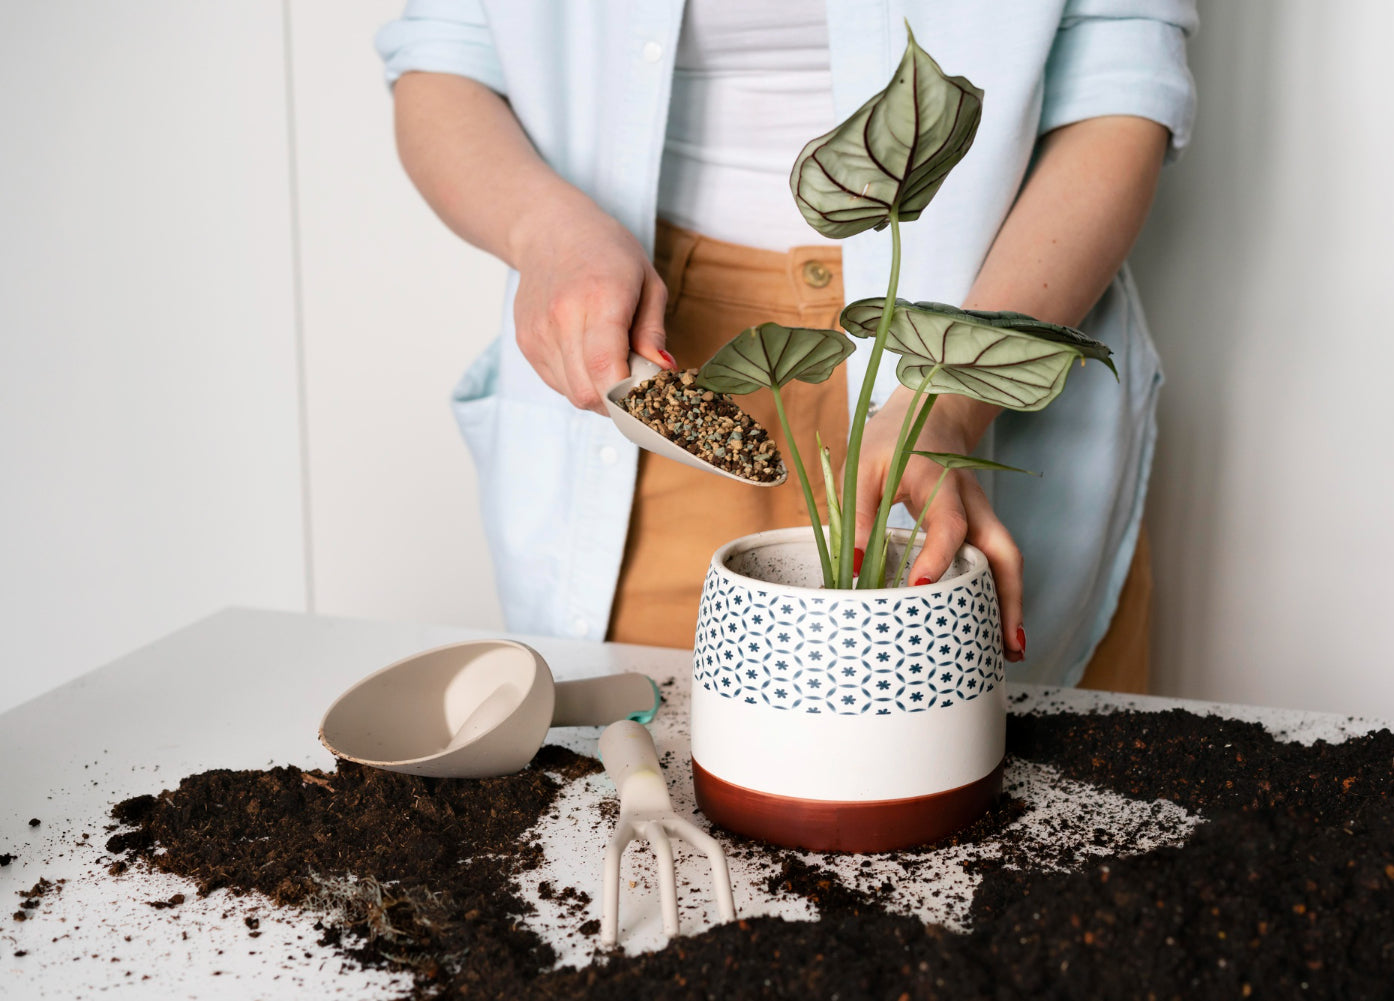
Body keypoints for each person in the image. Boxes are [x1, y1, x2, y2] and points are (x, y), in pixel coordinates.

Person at [376, 0, 1196, 691]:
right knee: (673, 803)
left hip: (979, 339)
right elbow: (445, 58)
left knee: (996, 810)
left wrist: (947, 405)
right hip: (656, 366)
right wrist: (547, 233)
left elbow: (1122, 86)